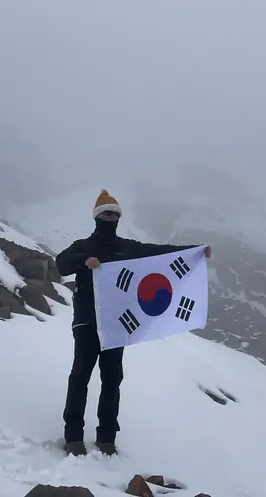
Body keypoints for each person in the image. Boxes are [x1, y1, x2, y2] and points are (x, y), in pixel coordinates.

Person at [56, 189, 211, 457]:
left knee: (112, 379)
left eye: (114, 214)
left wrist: (195, 251)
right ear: (97, 217)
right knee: (80, 376)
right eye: (106, 214)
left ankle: (107, 438)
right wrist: (83, 260)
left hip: (115, 325)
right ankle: (73, 437)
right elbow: (61, 263)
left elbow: (159, 253)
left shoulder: (127, 248)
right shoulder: (83, 246)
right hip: (87, 322)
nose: (110, 217)